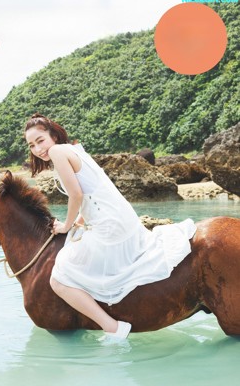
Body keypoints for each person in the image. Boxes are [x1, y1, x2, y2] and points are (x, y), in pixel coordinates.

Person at [24, 113, 197, 340]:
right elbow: (93, 192)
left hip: (110, 227)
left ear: (53, 136)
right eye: (32, 145)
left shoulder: (57, 152)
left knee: (59, 279)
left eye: (41, 140)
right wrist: (80, 221)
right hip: (121, 219)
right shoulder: (75, 149)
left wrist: (66, 226)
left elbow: (76, 194)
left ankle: (113, 327)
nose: (38, 149)